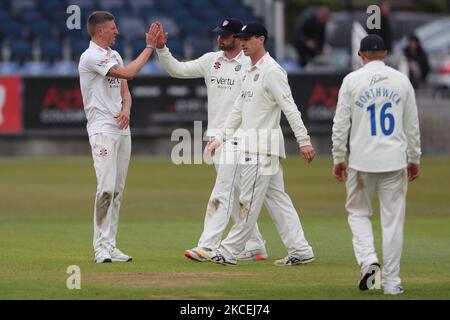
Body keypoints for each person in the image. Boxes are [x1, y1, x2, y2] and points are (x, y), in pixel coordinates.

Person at [153, 19, 269, 262]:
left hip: (241, 137)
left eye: (226, 35)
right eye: (219, 34)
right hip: (217, 138)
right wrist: (162, 49)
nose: (220, 38)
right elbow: (178, 70)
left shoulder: (252, 64)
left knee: (224, 190)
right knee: (235, 194)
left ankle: (208, 245)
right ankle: (255, 244)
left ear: (238, 38)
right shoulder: (211, 60)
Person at [204, 22, 316, 266]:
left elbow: (290, 108)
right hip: (254, 147)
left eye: (248, 39)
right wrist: (220, 138)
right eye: (241, 39)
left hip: (261, 149)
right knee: (278, 201)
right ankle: (301, 249)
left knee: (248, 202)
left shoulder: (272, 71)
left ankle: (228, 250)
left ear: (261, 39)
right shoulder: (249, 70)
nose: (242, 43)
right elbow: (237, 111)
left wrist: (304, 141)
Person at [332, 34, 421, 294]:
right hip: (394, 161)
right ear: (385, 54)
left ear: (361, 55)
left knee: (358, 214)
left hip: (361, 162)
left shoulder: (351, 80)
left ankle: (369, 261)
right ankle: (392, 283)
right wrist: (414, 158)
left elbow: (340, 124)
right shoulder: (401, 80)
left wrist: (339, 158)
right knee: (392, 222)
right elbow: (412, 125)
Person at [78, 11, 159, 263]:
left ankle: (111, 245)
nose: (117, 32)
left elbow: (126, 92)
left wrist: (125, 110)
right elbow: (128, 74)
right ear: (100, 31)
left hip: (122, 130)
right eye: (112, 28)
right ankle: (100, 248)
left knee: (118, 192)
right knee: (106, 188)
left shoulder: (114, 55)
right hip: (102, 130)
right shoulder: (90, 56)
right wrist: (150, 47)